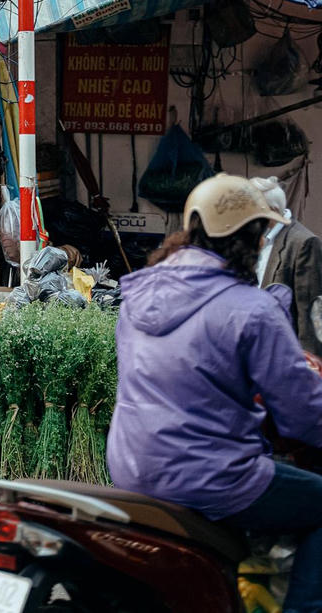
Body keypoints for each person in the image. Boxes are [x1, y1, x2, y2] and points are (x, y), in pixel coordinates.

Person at [108, 173, 322, 613]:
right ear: (249, 240)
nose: (264, 245)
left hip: (131, 470)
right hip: (211, 478)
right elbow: (303, 415)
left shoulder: (139, 296)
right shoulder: (252, 309)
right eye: (261, 236)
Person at [253, 176, 322, 355]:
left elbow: (310, 315)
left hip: (283, 355)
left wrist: (310, 367)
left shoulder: (303, 243)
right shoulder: (251, 237)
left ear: (273, 210)